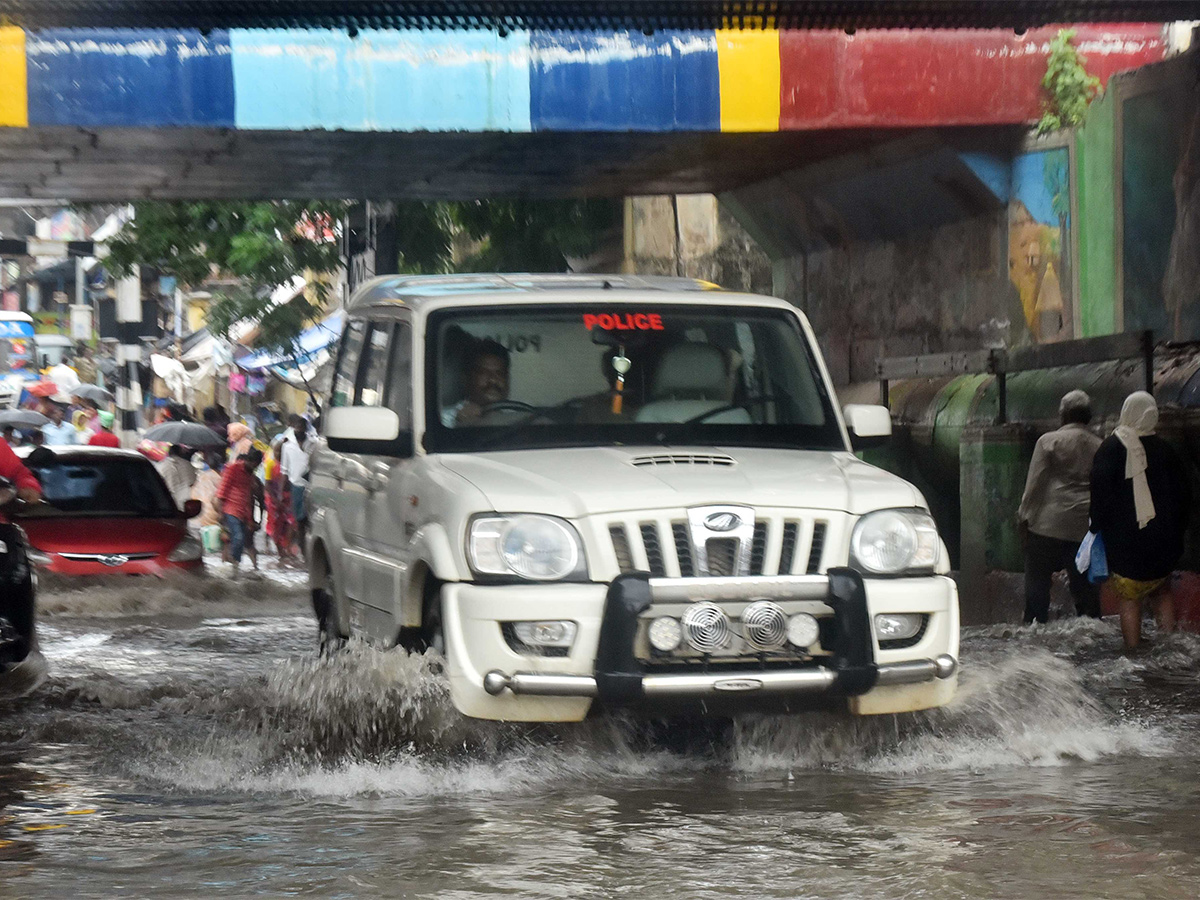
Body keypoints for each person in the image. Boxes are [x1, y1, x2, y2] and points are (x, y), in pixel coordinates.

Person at [1090, 392, 1192, 650]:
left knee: (1129, 598)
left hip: (1127, 542)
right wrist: (1177, 533)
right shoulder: (1166, 450)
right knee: (1162, 590)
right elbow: (1184, 495)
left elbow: (1100, 495)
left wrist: (1095, 528)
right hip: (1164, 542)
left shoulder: (1111, 448)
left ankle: (1134, 655)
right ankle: (1169, 649)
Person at [1017, 390, 1103, 623]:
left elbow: (1035, 485)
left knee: (1037, 584)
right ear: (1088, 417)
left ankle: (1035, 626)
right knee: (1085, 590)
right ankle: (1091, 624)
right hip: (1082, 529)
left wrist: (1023, 518)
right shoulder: (1100, 446)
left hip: (1046, 525)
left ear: (1063, 415)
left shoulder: (1048, 442)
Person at [214, 448, 263, 577]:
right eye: (253, 464)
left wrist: (251, 520)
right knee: (238, 537)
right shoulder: (233, 469)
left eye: (257, 466)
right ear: (248, 460)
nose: (254, 467)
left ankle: (234, 568)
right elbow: (222, 491)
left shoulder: (250, 475)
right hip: (230, 509)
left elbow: (248, 497)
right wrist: (220, 513)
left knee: (238, 540)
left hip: (243, 513)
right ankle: (233, 565)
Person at [441, 340, 510, 427]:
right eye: (483, 373)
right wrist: (461, 426)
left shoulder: (522, 417)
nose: (493, 380)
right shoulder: (444, 420)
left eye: (500, 373)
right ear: (466, 379)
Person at [279, 414, 313, 556]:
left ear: (306, 429)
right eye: (297, 427)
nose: (300, 430)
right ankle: (304, 553)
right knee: (299, 521)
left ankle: (311, 551)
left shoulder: (314, 444)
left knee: (311, 520)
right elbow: (284, 471)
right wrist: (281, 492)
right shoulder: (287, 447)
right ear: (293, 428)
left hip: (312, 487)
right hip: (296, 487)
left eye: (302, 427)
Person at [157, 444, 198, 510]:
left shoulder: (161, 466)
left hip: (170, 502)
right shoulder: (188, 465)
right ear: (180, 453)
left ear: (168, 453)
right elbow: (194, 482)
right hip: (187, 500)